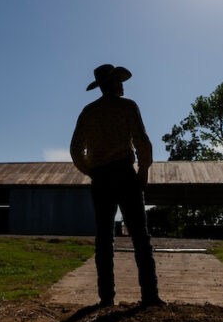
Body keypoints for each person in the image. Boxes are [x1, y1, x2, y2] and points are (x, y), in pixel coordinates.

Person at [70, 64, 163, 307]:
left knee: (104, 237)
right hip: (124, 173)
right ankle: (150, 295)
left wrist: (92, 170)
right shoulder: (127, 107)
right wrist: (143, 171)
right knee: (140, 236)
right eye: (118, 81)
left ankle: (106, 297)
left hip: (101, 178)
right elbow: (142, 142)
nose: (122, 85)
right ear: (111, 83)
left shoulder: (88, 112)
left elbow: (76, 149)